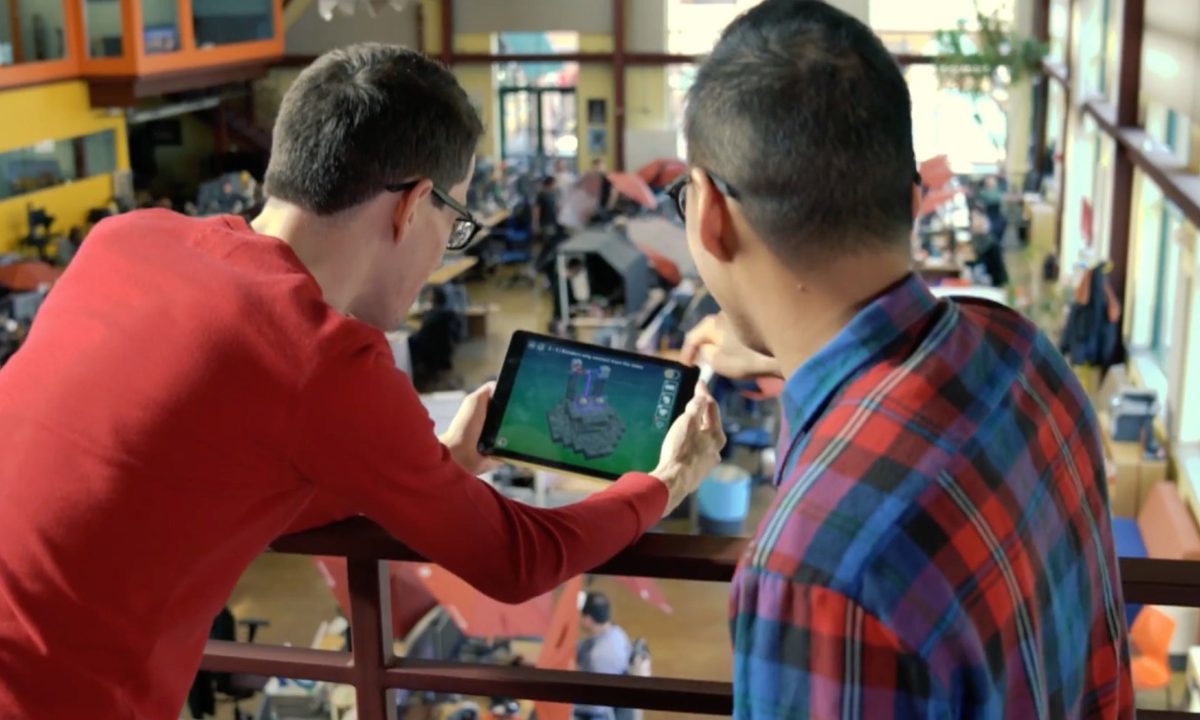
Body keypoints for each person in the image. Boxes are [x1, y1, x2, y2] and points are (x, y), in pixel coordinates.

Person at [0, 43, 726, 719]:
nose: (447, 247)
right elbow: (518, 558)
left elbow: (208, 472)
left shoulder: (126, 238)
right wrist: (665, 483)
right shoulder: (319, 354)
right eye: (456, 221)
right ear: (412, 204)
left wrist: (440, 467)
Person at [677, 2, 1130, 718]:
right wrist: (792, 363)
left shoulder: (817, 574)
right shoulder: (1022, 353)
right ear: (909, 193)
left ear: (708, 212)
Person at [574, 592, 632, 720]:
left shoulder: (598, 656)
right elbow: (582, 646)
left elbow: (596, 706)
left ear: (588, 620)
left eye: (580, 614)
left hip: (597, 712)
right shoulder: (617, 632)